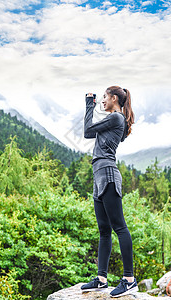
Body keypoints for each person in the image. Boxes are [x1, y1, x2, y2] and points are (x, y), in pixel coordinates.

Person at [81, 86, 138, 298]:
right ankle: (101, 279)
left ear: (114, 98)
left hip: (108, 173)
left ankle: (129, 280)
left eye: (104, 97)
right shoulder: (115, 120)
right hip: (99, 175)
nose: (102, 101)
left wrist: (89, 103)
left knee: (120, 227)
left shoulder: (116, 118)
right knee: (104, 230)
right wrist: (95, 104)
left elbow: (87, 131)